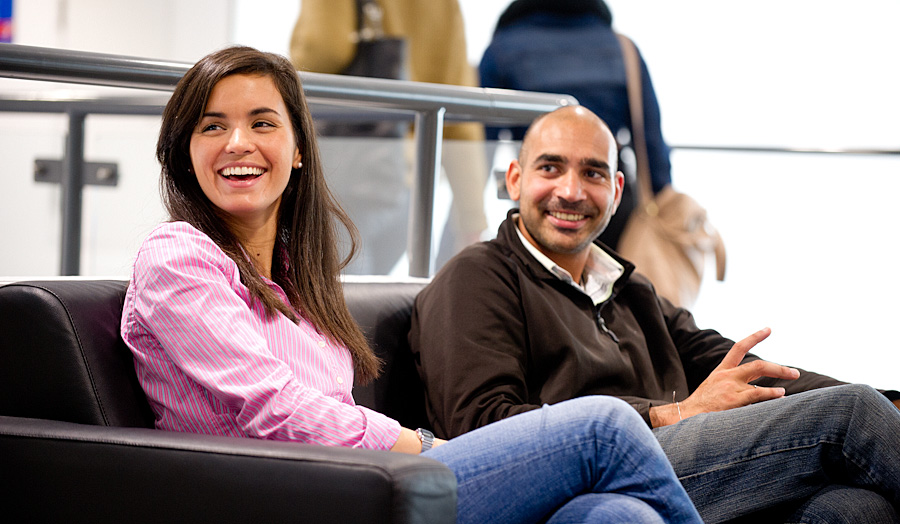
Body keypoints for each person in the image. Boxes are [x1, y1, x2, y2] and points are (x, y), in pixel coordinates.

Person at [119, 46, 702, 524]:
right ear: (184, 151)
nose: (238, 143)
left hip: (356, 482)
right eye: (212, 126)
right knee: (604, 426)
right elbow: (270, 411)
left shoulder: (298, 279)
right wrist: (418, 446)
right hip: (285, 497)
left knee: (615, 516)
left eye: (262, 123)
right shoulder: (179, 257)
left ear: (298, 150)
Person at [409, 105, 900, 522]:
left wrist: (889, 403)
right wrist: (671, 415)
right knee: (851, 413)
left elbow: (739, 368)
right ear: (515, 179)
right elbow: (480, 427)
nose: (572, 191)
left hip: (675, 464)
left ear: (617, 191)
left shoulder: (629, 287)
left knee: (854, 508)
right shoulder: (476, 277)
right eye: (550, 168)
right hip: (587, 472)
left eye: (593, 173)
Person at [290, 0, 488, 273]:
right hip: (405, 188)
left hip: (339, 185)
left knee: (342, 309)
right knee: (374, 306)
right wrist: (471, 219)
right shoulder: (445, 5)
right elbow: (461, 116)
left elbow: (323, 49)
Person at [478, 0, 669, 250]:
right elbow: (651, 143)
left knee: (535, 280)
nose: (572, 191)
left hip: (540, 188)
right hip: (609, 197)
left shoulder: (503, 49)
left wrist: (465, 220)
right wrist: (663, 204)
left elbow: (479, 148)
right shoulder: (622, 48)